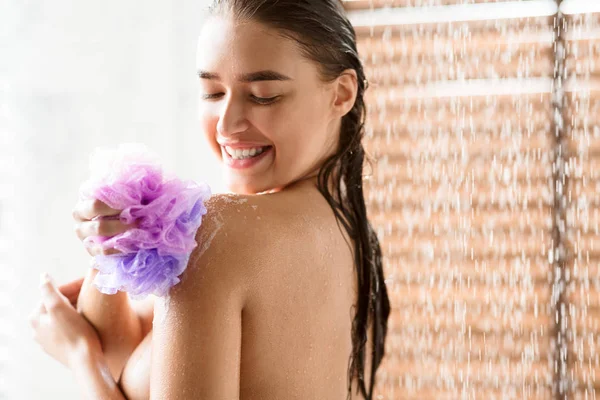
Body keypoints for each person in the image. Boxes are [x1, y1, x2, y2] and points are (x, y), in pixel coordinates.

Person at [29, 1, 391, 399]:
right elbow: (135, 364)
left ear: (341, 94)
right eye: (213, 92)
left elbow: (116, 369)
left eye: (263, 95)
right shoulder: (353, 236)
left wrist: (81, 358)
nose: (226, 124)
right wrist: (116, 245)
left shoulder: (219, 233)